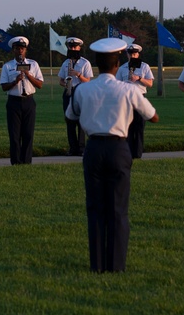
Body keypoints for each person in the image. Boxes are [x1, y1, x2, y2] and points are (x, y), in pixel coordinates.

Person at [66, 37, 159, 273]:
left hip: (94, 148)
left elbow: (71, 116)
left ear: (96, 64)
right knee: (118, 209)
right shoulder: (127, 89)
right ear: (117, 64)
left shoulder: (82, 89)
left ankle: (97, 264)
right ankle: (116, 266)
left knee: (95, 209)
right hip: (118, 148)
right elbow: (152, 116)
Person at [0, 36, 45, 165]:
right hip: (14, 101)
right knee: (14, 135)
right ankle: (16, 161)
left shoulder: (33, 64)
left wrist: (28, 74)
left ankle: (26, 161)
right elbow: (4, 86)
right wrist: (15, 81)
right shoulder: (8, 66)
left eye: (22, 48)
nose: (20, 51)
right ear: (13, 50)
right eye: (17, 48)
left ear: (25, 50)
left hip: (29, 101)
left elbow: (40, 84)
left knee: (28, 134)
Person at [115, 43, 154, 158]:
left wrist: (139, 78)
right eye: (130, 53)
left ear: (138, 54)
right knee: (128, 127)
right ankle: (128, 152)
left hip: (140, 97)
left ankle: (137, 153)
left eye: (135, 53)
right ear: (127, 54)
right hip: (126, 99)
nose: (133, 55)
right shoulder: (122, 68)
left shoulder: (144, 67)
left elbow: (150, 83)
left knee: (139, 126)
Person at [59, 37, 94, 155]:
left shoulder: (85, 63)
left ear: (79, 48)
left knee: (81, 121)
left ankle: (81, 148)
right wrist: (66, 84)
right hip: (69, 92)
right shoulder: (65, 63)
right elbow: (60, 80)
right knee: (69, 121)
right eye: (70, 47)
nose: (73, 49)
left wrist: (78, 74)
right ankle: (72, 148)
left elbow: (88, 81)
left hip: (81, 92)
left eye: (75, 47)